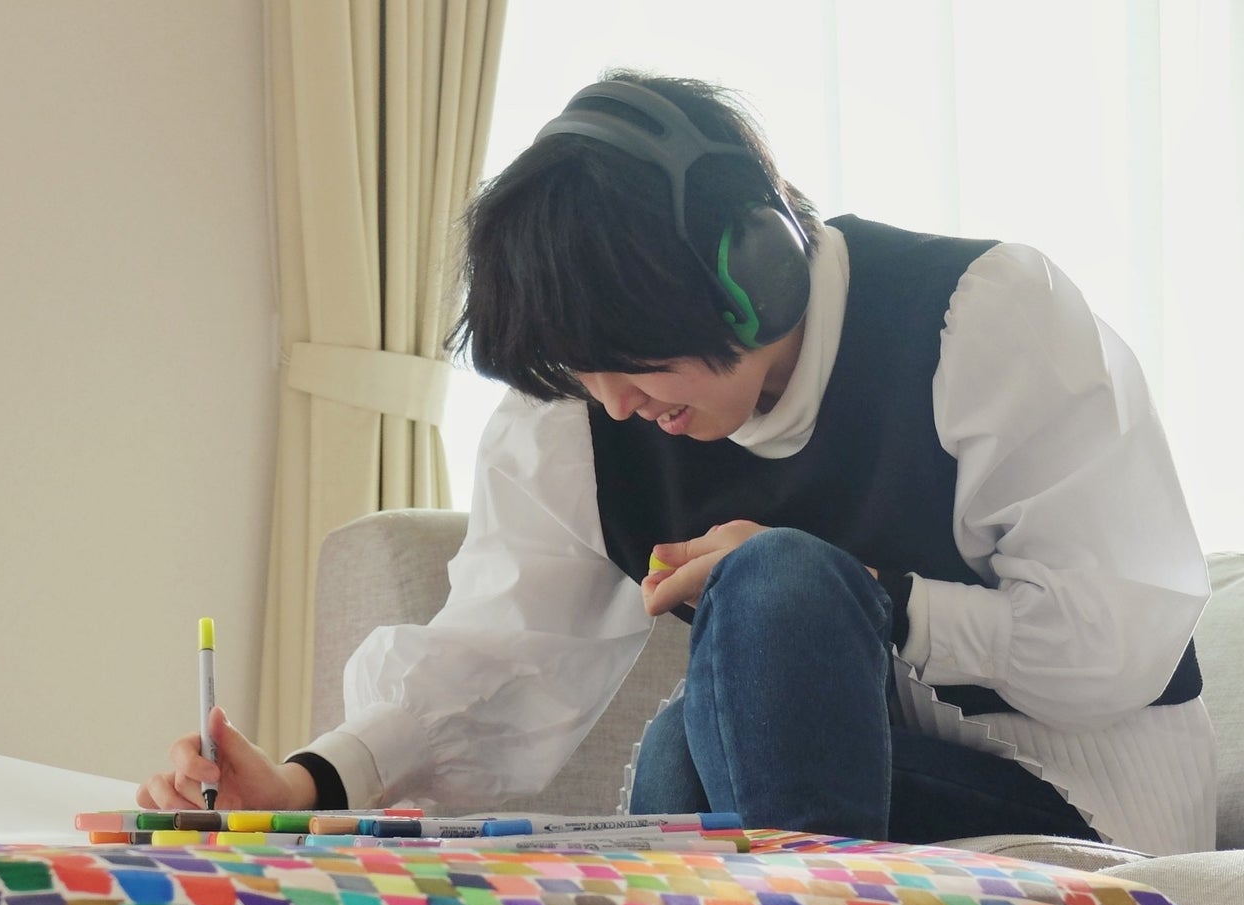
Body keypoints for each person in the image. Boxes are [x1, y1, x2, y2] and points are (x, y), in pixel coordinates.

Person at [139, 71, 1216, 855]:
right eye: (582, 372)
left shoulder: (984, 321)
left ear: (758, 271)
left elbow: (1120, 641)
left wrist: (876, 599)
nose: (615, 403)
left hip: (1075, 799)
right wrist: (305, 784)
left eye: (627, 359)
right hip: (846, 792)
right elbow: (498, 659)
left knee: (777, 577)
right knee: (676, 751)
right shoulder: (583, 415)